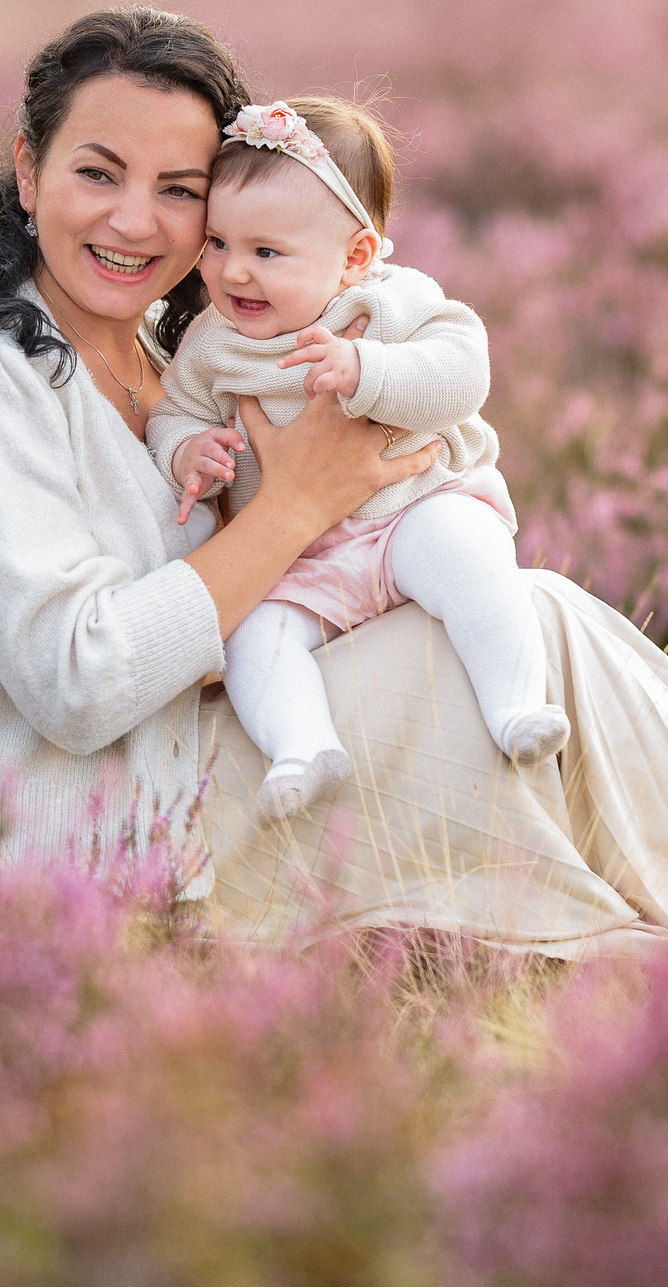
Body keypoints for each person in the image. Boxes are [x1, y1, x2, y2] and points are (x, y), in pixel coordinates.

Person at [0, 6, 668, 959]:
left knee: (530, 621)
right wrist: (302, 501)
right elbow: (80, 685)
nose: (137, 221)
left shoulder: (170, 378)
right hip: (54, 854)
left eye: (179, 190)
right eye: (98, 173)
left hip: (185, 763)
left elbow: (214, 630)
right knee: (534, 644)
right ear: (29, 173)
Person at [148, 96, 564, 823]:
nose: (234, 273)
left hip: (412, 514)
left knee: (475, 563)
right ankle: (302, 747)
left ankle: (518, 706)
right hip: (303, 559)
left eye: (266, 252)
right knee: (253, 635)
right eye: (218, 243)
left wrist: (369, 369)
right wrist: (189, 447)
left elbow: (463, 371)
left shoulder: (390, 303)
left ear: (356, 257)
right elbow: (175, 409)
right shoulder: (214, 343)